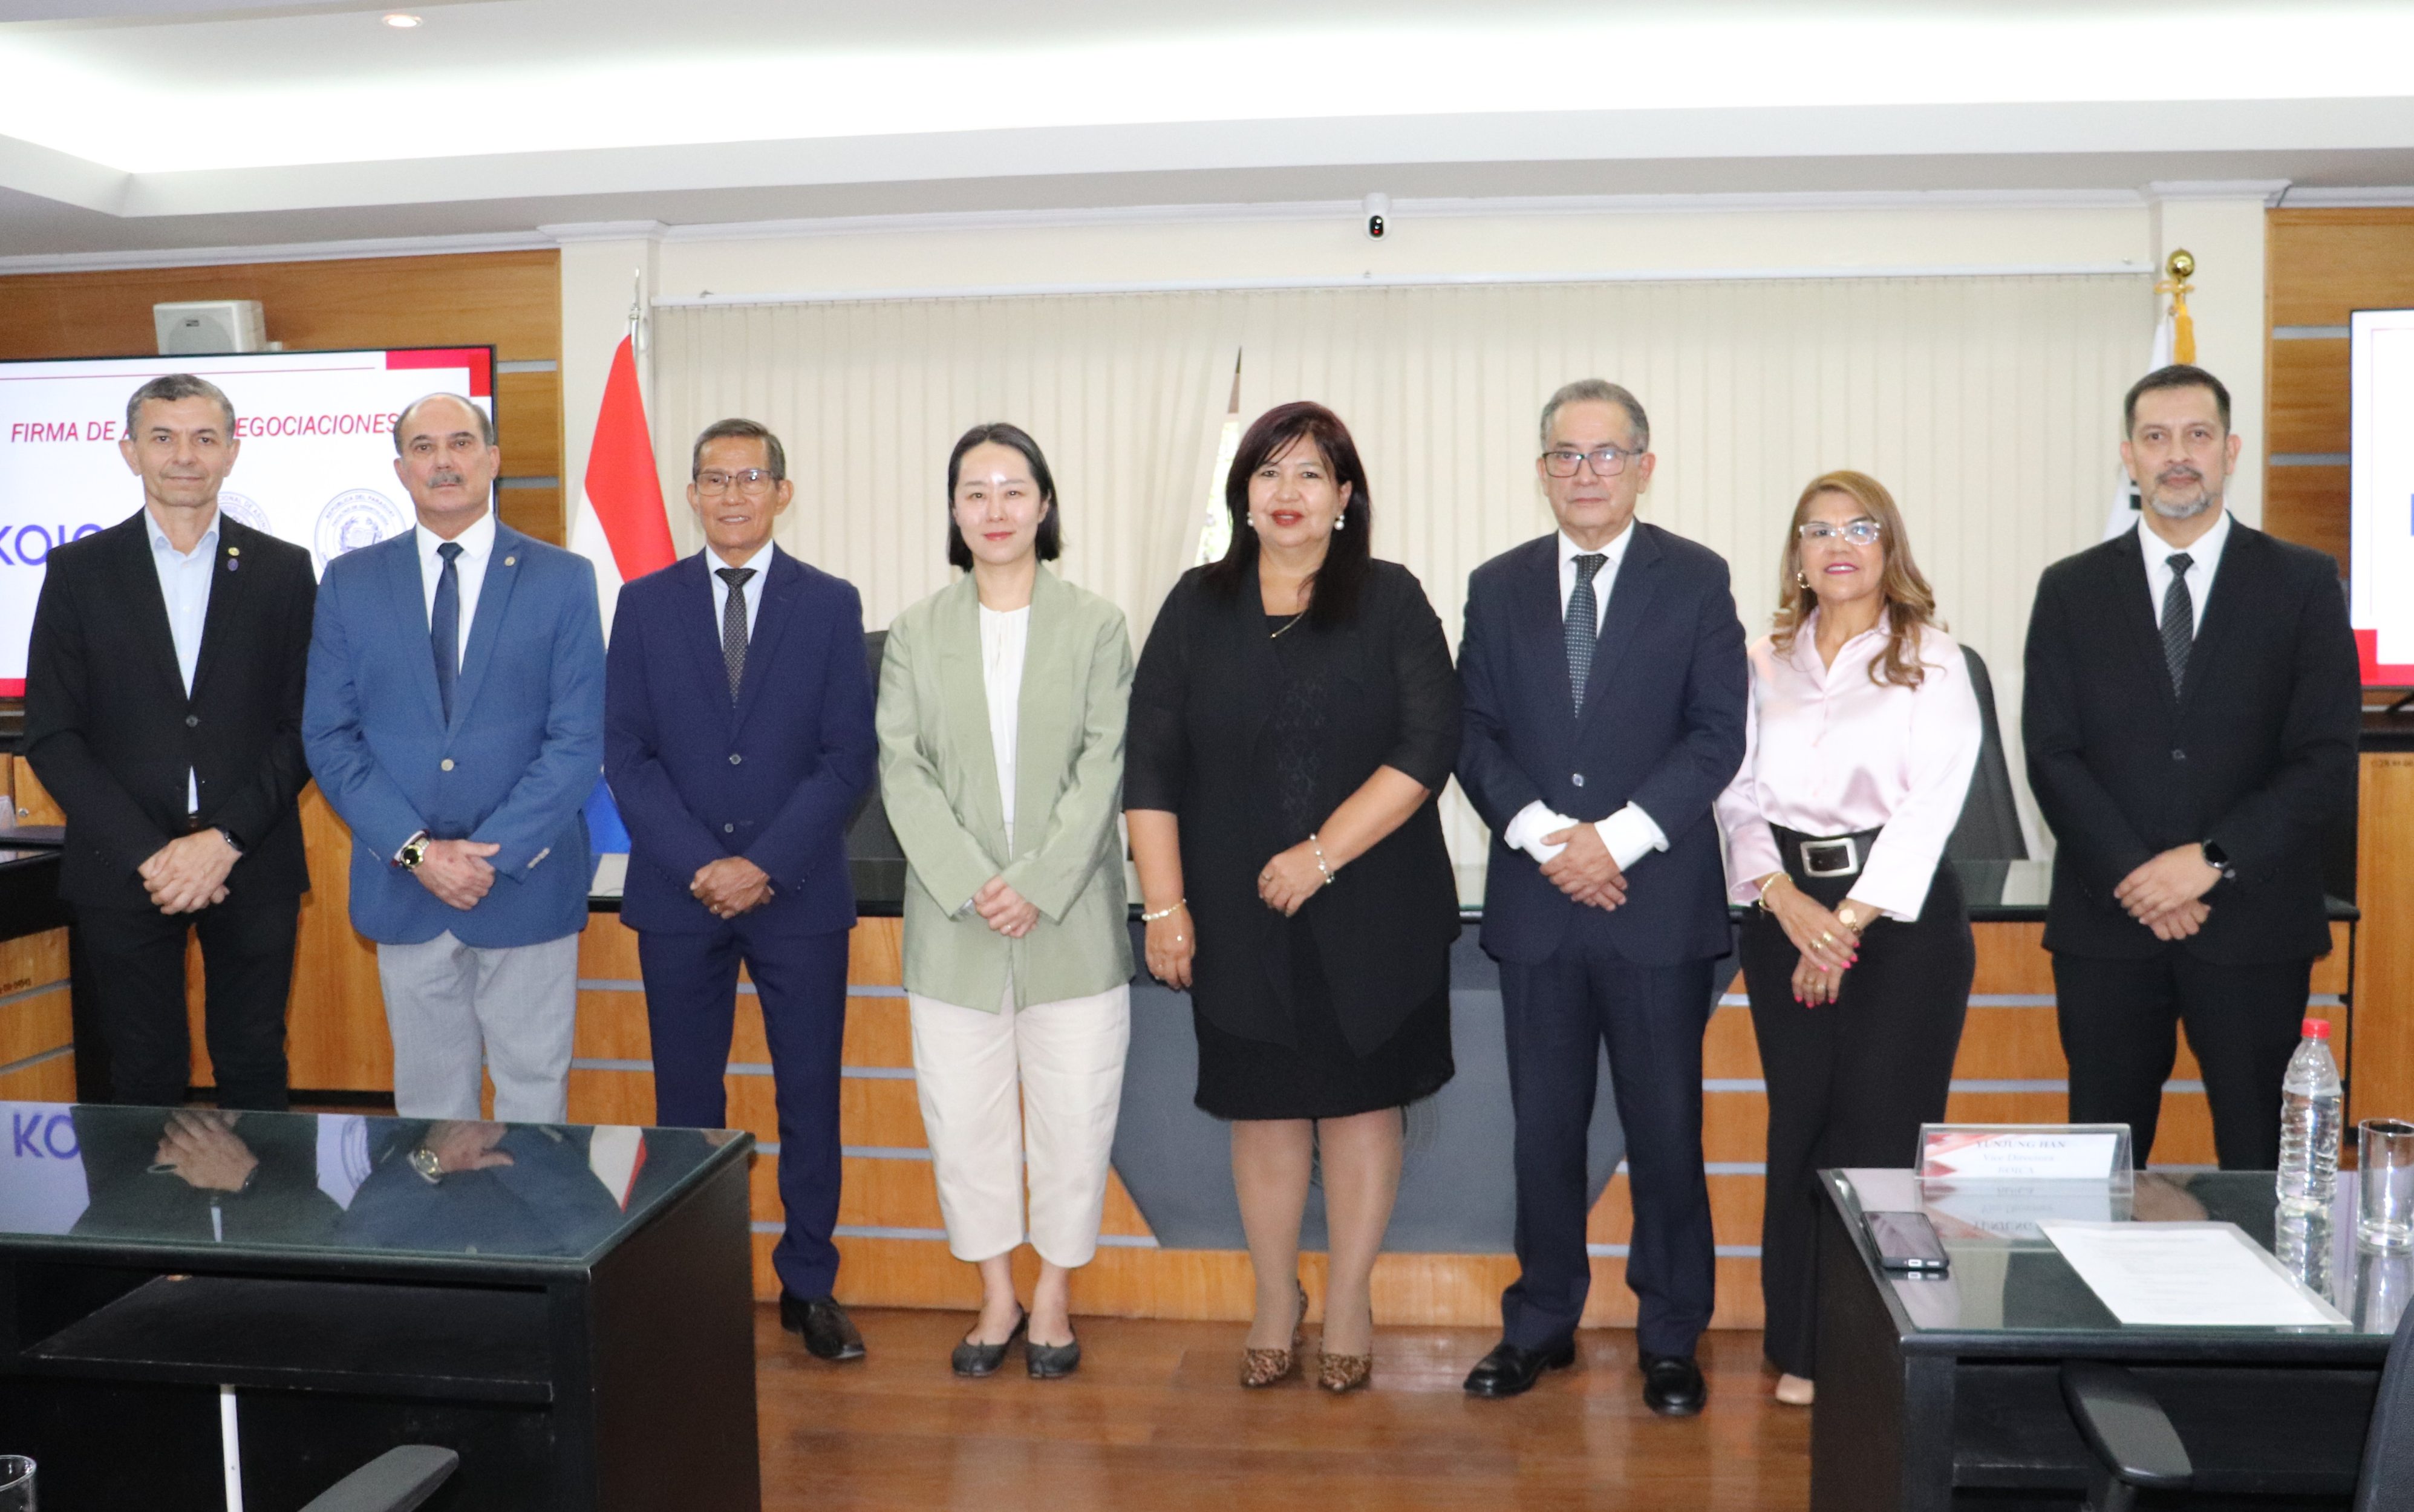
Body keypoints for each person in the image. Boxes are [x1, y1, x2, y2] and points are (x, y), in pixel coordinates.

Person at [1127, 400, 1461, 1395]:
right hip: (1234, 913)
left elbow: (1428, 746)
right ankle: (1276, 1297)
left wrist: (1320, 856)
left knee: (1361, 1110)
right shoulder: (1196, 605)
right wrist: (1163, 906)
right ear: (1242, 495)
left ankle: (1350, 1297)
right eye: (1268, 472)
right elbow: (1149, 765)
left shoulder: (1390, 599)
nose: (1287, 492)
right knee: (1263, 1113)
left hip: (1375, 906)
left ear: (1344, 496)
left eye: (1310, 473)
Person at [1455, 379, 1747, 1413]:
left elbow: (1717, 733)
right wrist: (1548, 840)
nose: (1585, 473)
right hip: (1539, 906)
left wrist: (1613, 840)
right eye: (1565, 456)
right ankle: (1540, 1323)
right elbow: (1470, 733)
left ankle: (1669, 1335)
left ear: (1643, 467)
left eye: (1605, 454)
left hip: (1653, 903)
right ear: (1541, 471)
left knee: (1665, 1133)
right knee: (1542, 1134)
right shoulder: (1496, 585)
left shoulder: (1696, 578)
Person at [2024, 363, 2360, 1169]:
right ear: (2128, 457)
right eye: (2155, 437)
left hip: (2253, 927)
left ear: (2229, 450)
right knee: (2102, 1170)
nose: (2177, 455)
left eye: (2196, 435)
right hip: (2109, 924)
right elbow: (2050, 752)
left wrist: (2208, 860)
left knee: (2257, 1162)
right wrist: (2139, 877)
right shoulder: (2069, 589)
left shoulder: (2302, 583)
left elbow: (2322, 759)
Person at [604, 417, 876, 1363]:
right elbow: (626, 755)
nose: (732, 494)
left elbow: (847, 757)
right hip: (677, 895)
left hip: (796, 894)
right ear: (691, 495)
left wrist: (762, 864)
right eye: (714, 479)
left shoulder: (830, 604)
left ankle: (809, 1287)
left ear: (781, 493)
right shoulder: (643, 604)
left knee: (809, 1095)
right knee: (685, 1102)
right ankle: (694, 1285)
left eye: (750, 477)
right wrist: (701, 865)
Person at [1714, 470, 1982, 1407]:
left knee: (1878, 1135)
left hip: (1900, 926)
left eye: (1859, 528)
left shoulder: (1931, 659)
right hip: (1782, 915)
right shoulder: (1758, 661)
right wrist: (1784, 901)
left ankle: (1878, 1347)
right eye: (1817, 529)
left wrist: (1846, 924)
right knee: (1802, 1129)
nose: (1837, 544)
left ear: (1886, 548)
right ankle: (1801, 1345)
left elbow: (1931, 805)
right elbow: (1732, 791)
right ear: (1795, 554)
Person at [876, 422, 1134, 1380]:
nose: (994, 509)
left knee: (1075, 1119)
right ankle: (996, 1294)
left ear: (1044, 505)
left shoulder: (1096, 625)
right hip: (955, 926)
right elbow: (900, 769)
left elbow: (1103, 765)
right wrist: (974, 882)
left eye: (1012, 490)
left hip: (1071, 923)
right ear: (953, 511)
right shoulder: (915, 631)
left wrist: (1033, 885)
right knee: (964, 1121)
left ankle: (1054, 1296)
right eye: (974, 492)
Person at [302, 393, 604, 1126]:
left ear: (492, 459)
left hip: (527, 882)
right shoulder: (349, 581)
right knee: (431, 1112)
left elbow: (577, 740)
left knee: (534, 1101)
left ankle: (526, 1214)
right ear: (400, 469)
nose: (444, 461)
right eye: (424, 447)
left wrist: (488, 857)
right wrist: (419, 853)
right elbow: (331, 737)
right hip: (406, 888)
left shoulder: (562, 578)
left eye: (461, 443)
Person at [24, 374, 316, 1111]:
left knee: (254, 1062)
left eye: (204, 438)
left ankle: (258, 1198)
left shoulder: (285, 571)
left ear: (232, 452)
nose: (184, 455)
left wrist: (224, 839)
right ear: (130, 452)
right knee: (141, 1074)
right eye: (163, 437)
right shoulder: (78, 571)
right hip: (123, 867)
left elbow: (304, 725)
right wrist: (154, 855)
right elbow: (53, 735)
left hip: (251, 857)